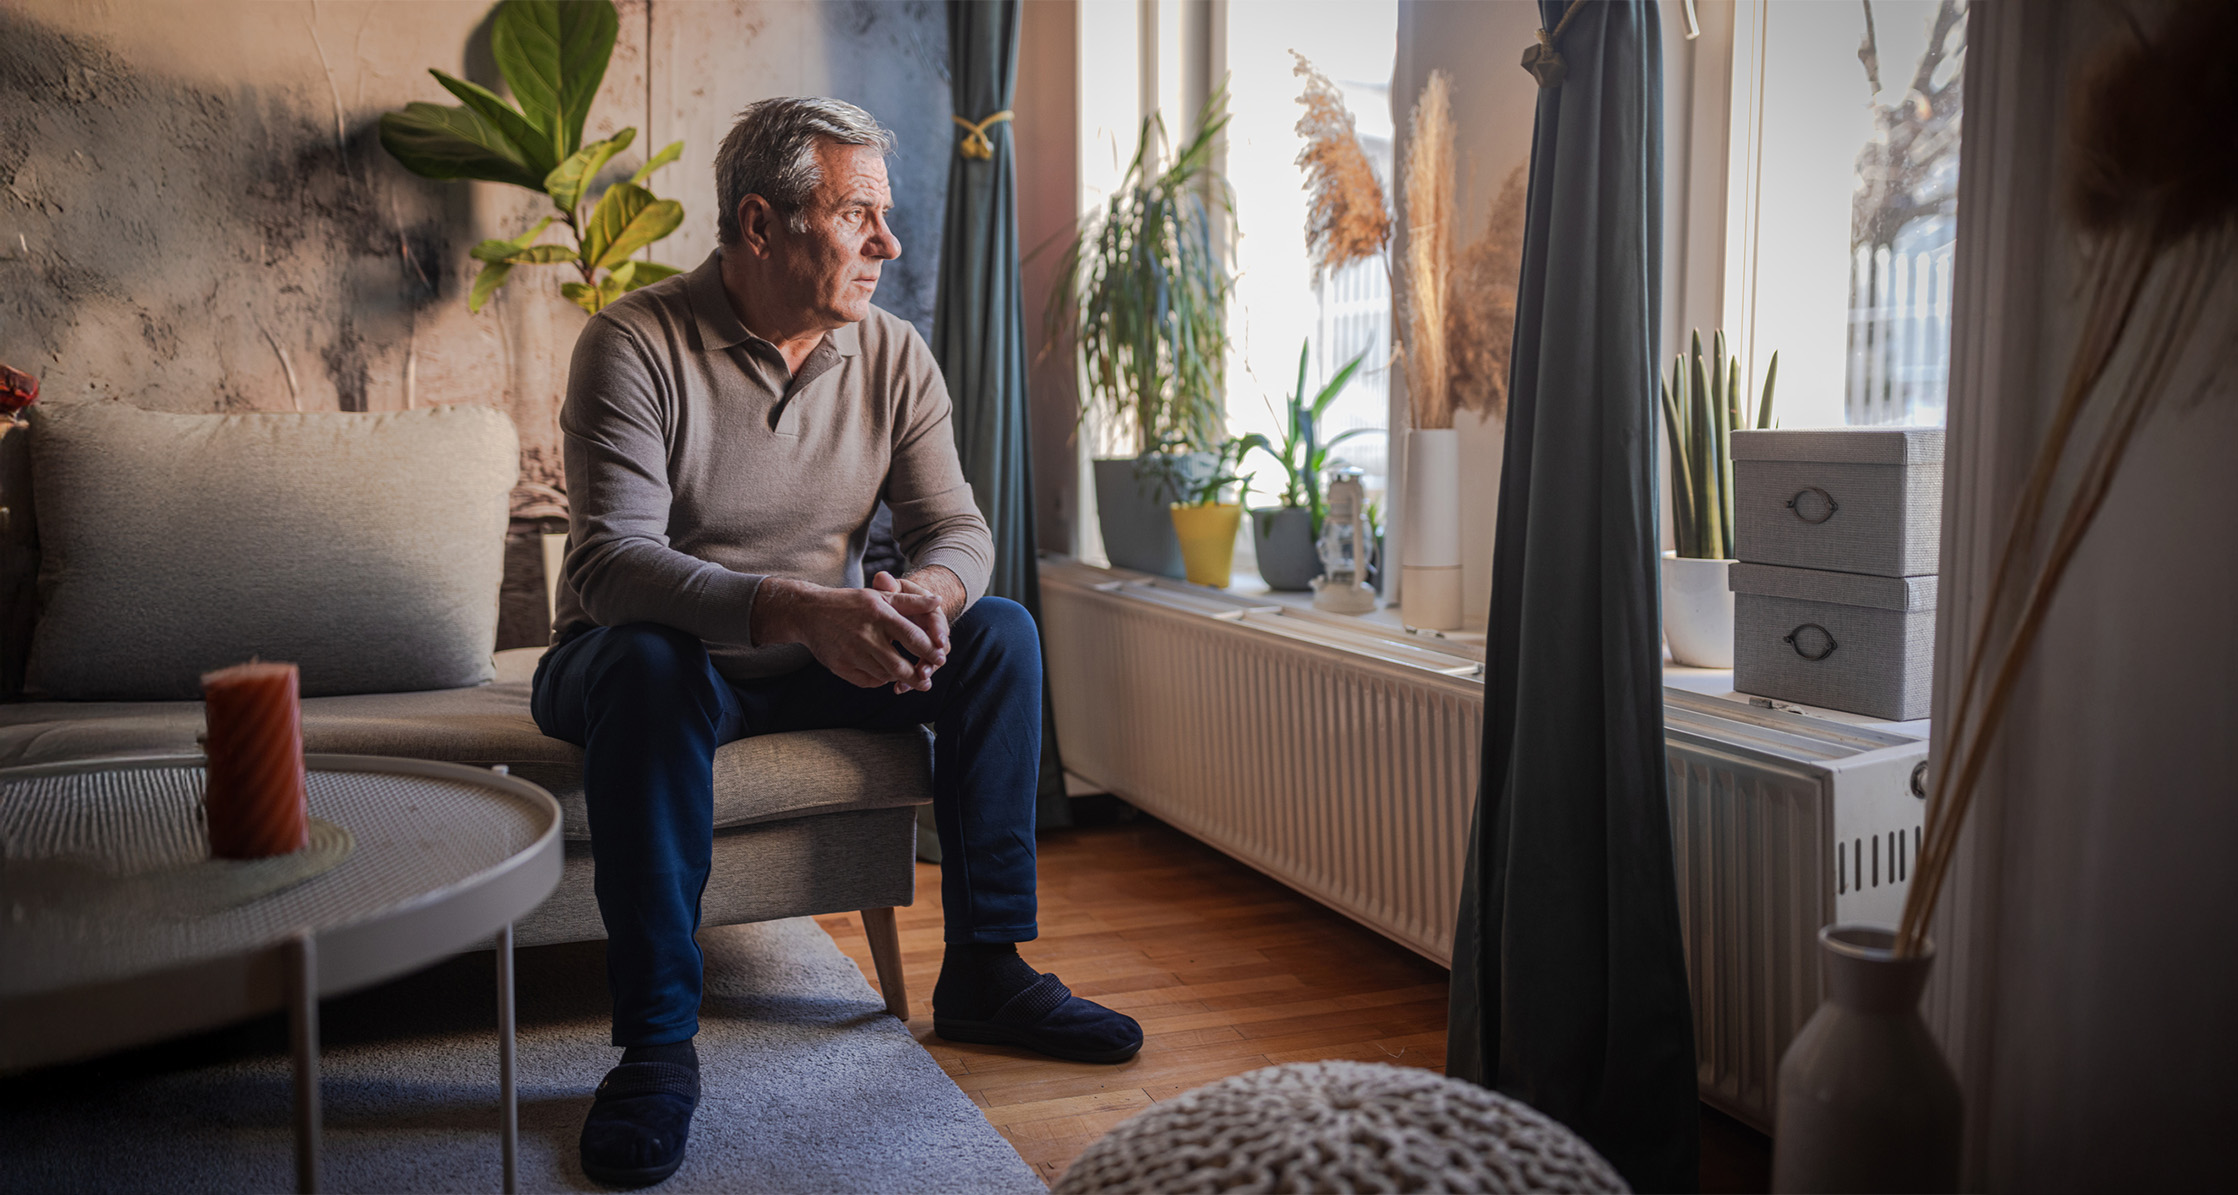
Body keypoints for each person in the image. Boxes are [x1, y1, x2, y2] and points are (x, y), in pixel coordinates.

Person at [531, 96, 1141, 1188]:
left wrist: (924, 596)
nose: (888, 244)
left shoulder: (893, 355)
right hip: (644, 664)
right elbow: (609, 566)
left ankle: (988, 969)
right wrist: (803, 609)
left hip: (817, 657)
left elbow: (958, 528)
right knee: (649, 660)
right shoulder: (633, 343)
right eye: (857, 214)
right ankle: (657, 1046)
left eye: (884, 215)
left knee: (996, 635)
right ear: (761, 226)